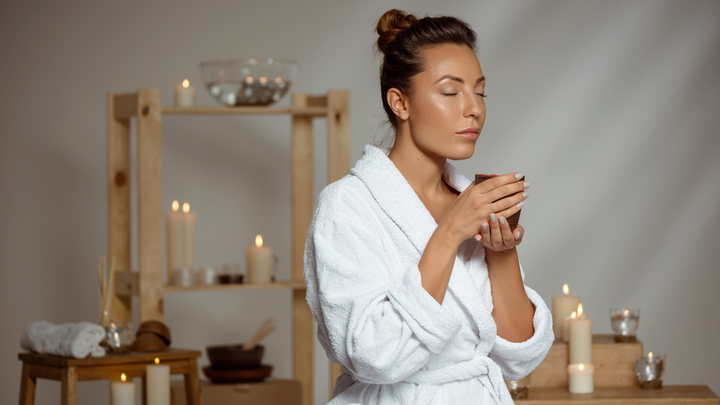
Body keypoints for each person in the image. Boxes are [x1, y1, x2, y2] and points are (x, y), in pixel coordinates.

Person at [303, 9, 553, 405]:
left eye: (480, 91)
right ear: (400, 103)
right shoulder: (348, 204)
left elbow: (518, 357)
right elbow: (371, 354)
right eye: (451, 92)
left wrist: (501, 254)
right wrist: (450, 232)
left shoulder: (470, 200)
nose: (474, 108)